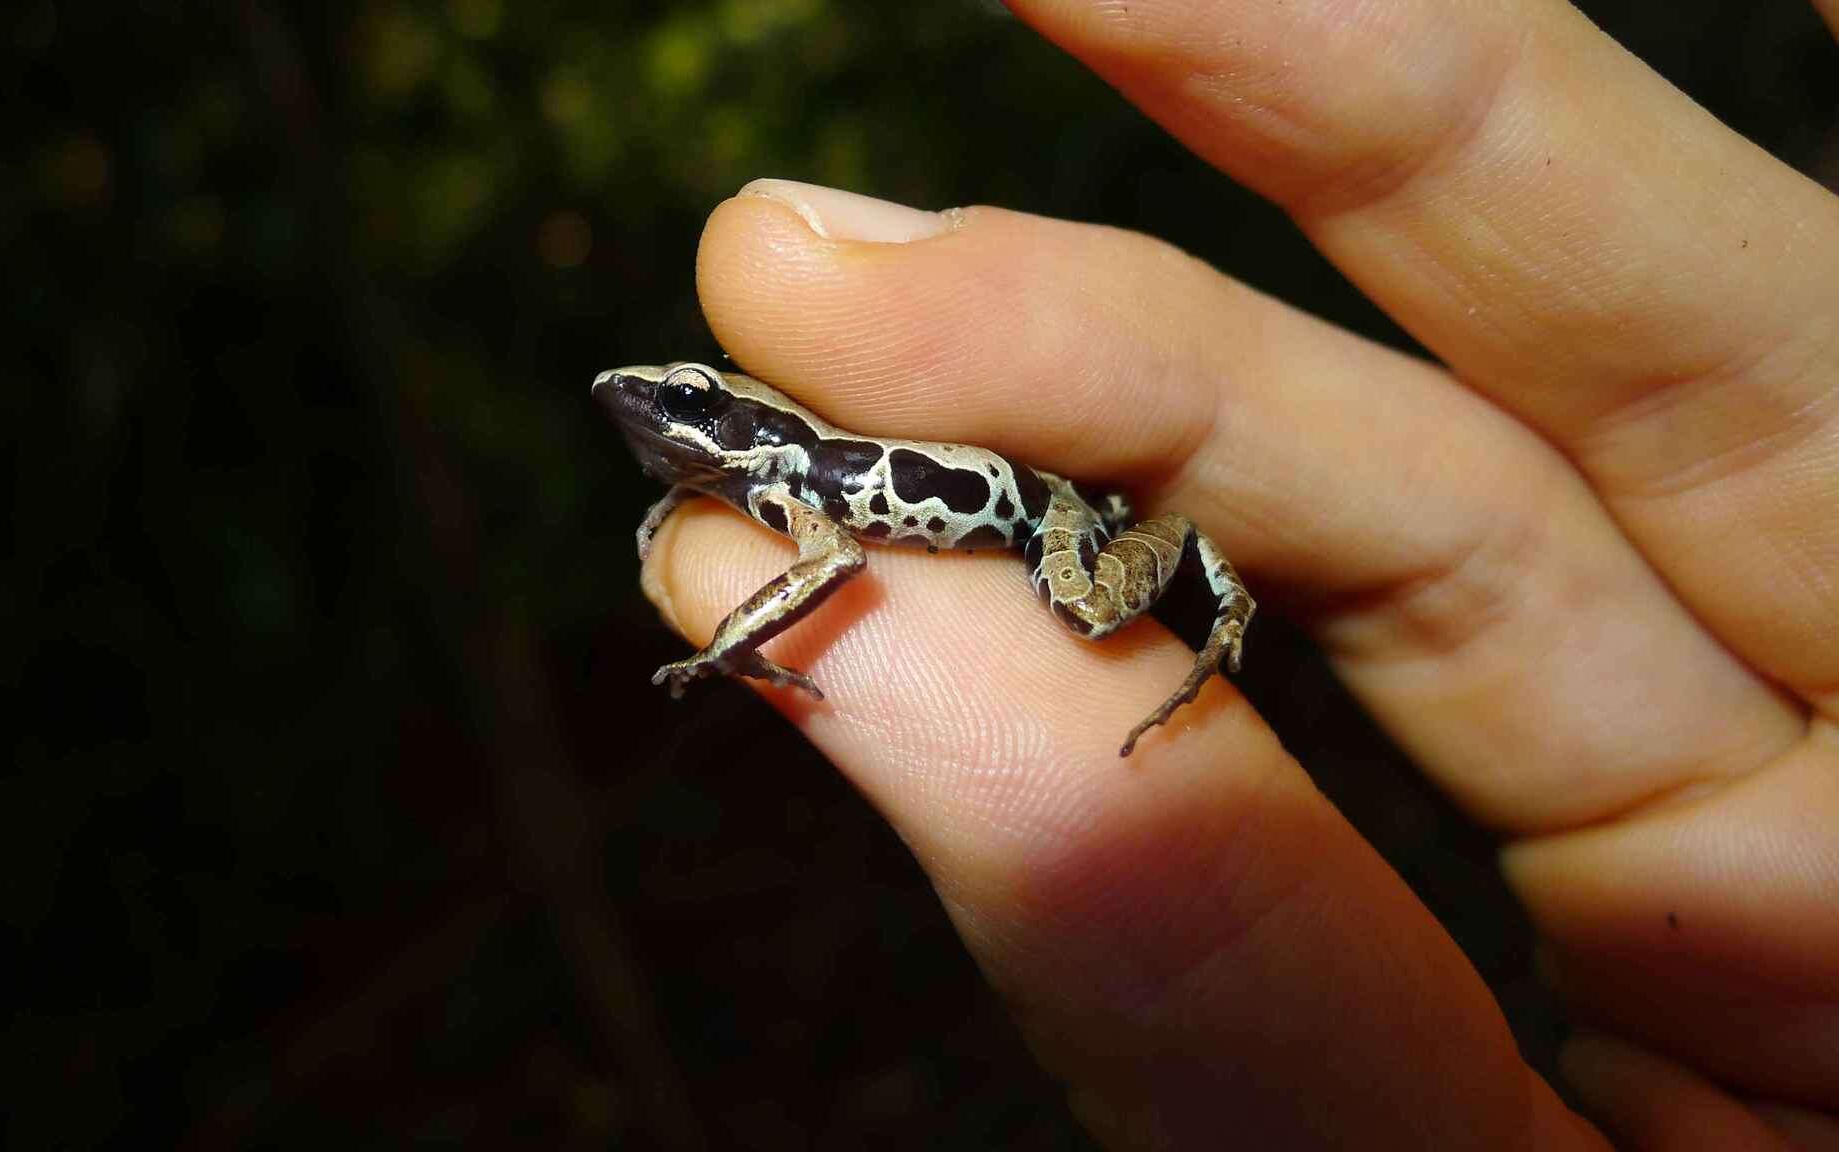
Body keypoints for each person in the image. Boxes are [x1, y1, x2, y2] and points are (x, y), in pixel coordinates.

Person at [640, 1, 1839, 1147]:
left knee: (1079, 608)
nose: (660, 412)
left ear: (740, 421)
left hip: (1040, 517)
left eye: (690, 401)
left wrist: (728, 642)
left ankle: (1212, 575)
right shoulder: (750, 486)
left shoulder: (796, 476)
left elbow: (836, 555)